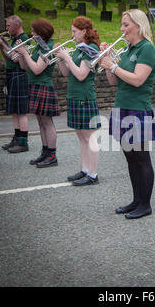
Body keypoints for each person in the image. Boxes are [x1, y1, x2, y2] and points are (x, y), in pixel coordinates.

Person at [99, 9, 155, 219]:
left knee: (142, 159)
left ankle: (145, 204)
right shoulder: (127, 49)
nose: (122, 29)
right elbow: (113, 81)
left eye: (126, 24)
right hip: (122, 107)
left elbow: (138, 79)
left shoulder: (147, 49)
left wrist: (113, 66)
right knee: (130, 159)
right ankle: (136, 200)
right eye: (122, 24)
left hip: (137, 108)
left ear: (138, 25)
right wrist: (107, 63)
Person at [54, 16, 101, 186]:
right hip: (74, 96)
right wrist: (61, 58)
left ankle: (93, 175)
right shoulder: (79, 48)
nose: (72, 34)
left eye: (74, 31)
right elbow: (67, 73)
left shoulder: (92, 48)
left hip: (85, 97)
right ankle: (85, 170)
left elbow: (82, 75)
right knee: (81, 137)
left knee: (89, 136)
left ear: (84, 31)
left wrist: (67, 57)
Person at [16, 18, 60, 168]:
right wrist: (21, 53)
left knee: (47, 122)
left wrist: (25, 53)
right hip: (34, 85)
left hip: (44, 86)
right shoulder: (37, 47)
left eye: (34, 31)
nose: (32, 33)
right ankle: (45, 151)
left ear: (41, 32)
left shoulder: (49, 48)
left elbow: (37, 69)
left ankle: (52, 155)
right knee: (41, 122)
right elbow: (24, 67)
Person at [0, 15, 29, 153]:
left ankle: (23, 142)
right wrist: (2, 47)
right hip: (11, 74)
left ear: (16, 25)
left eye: (8, 26)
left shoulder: (24, 38)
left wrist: (3, 44)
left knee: (21, 111)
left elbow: (16, 59)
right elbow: (8, 58)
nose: (6, 28)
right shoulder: (13, 39)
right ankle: (17, 138)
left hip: (19, 74)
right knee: (14, 110)